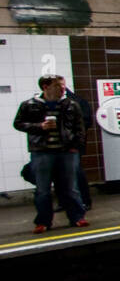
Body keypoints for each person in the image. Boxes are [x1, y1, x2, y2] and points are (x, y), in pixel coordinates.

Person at [13, 75, 88, 232]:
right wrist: (40, 126)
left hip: (67, 151)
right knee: (43, 189)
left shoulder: (71, 105)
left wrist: (76, 146)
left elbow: (80, 128)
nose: (62, 89)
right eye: (58, 86)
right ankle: (43, 221)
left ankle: (77, 217)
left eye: (63, 86)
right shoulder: (29, 105)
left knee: (71, 187)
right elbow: (18, 123)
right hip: (42, 152)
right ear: (45, 87)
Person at [62, 83, 94, 210]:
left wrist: (73, 137)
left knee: (76, 171)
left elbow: (86, 122)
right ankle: (65, 201)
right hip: (54, 146)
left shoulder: (78, 102)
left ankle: (84, 201)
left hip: (73, 144)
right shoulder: (45, 103)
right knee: (61, 174)